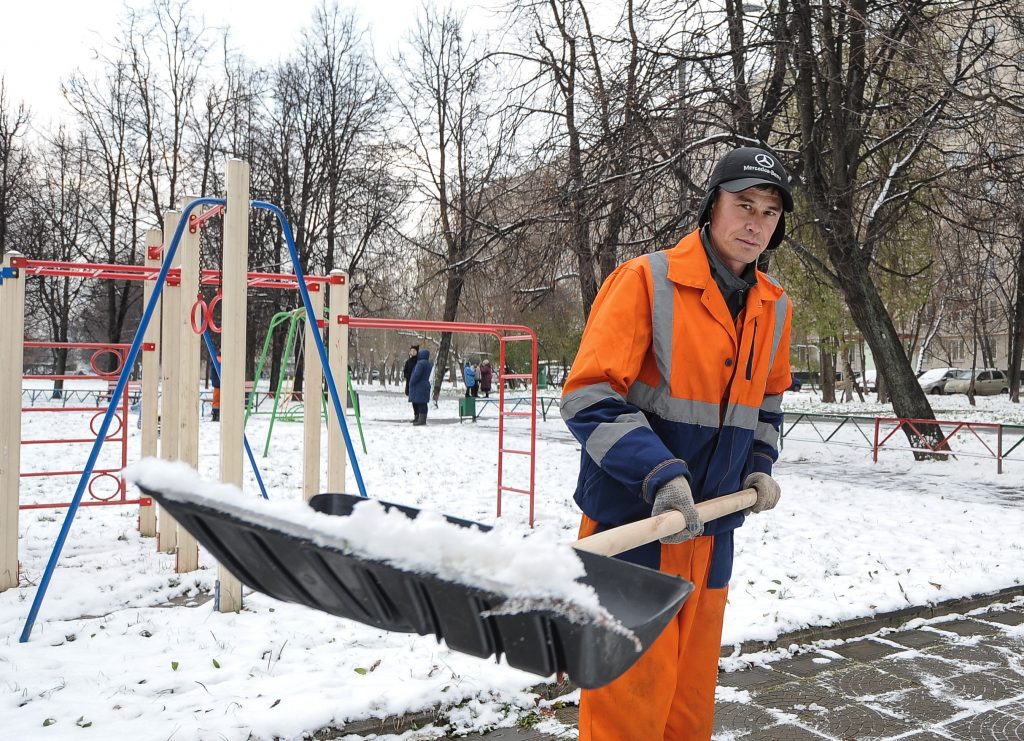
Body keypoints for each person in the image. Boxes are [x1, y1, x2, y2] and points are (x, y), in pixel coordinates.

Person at [560, 146, 794, 740]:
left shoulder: (773, 306)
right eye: (744, 205)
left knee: (688, 711)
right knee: (626, 709)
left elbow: (768, 401)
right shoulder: (646, 280)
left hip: (711, 534)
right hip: (635, 529)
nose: (755, 223)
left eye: (769, 213)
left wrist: (759, 465)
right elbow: (588, 395)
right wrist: (660, 472)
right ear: (710, 206)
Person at [408, 348, 433, 426]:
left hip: (419, 386)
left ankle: (421, 420)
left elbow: (416, 375)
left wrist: (411, 382)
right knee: (423, 403)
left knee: (420, 403)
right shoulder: (428, 364)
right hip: (425, 385)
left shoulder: (420, 364)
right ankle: (422, 419)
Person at [403, 345, 419, 422]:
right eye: (411, 351)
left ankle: (419, 416)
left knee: (418, 400)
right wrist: (408, 376)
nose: (412, 352)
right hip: (409, 383)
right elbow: (405, 372)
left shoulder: (419, 361)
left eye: (414, 351)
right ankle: (416, 416)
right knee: (413, 401)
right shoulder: (408, 362)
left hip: (417, 384)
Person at [211, 354, 222, 422]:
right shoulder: (222, 358)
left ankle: (215, 414)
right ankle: (217, 414)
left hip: (216, 384)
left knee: (216, 400)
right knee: (218, 400)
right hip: (220, 383)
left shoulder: (215, 358)